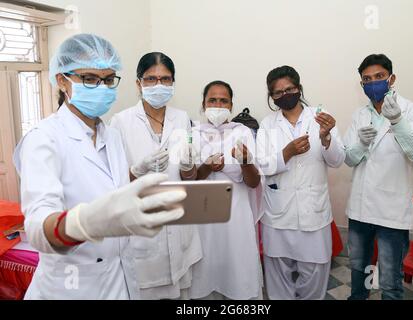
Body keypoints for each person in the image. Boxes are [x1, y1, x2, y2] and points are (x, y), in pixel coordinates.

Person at [13, 34, 185, 300]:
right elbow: (37, 230)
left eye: (107, 79)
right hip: (71, 285)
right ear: (62, 80)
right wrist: (88, 221)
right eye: (90, 79)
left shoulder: (111, 135)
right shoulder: (44, 138)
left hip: (120, 278)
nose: (102, 88)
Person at [110, 52, 202, 300]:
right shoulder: (121, 122)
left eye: (165, 79)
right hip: (143, 229)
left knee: (182, 295)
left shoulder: (182, 118)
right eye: (151, 79)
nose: (158, 85)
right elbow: (114, 186)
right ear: (138, 83)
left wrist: (187, 166)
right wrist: (137, 170)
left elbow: (189, 178)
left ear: (173, 82)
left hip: (178, 223)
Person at [344, 54, 413, 300]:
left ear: (392, 78)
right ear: (362, 85)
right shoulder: (359, 115)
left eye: (379, 77)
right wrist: (360, 144)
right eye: (367, 79)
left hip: (391, 210)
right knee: (359, 269)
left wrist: (398, 121)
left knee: (390, 279)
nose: (373, 83)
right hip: (360, 208)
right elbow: (349, 159)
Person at [256, 66, 345, 300]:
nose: (284, 95)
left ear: (299, 88)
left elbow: (337, 160)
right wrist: (286, 153)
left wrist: (326, 138)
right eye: (277, 93)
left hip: (313, 211)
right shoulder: (267, 124)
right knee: (277, 272)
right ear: (271, 97)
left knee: (315, 271)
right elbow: (261, 166)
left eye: (289, 89)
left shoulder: (320, 116)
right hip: (278, 213)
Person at [185, 81, 264, 300]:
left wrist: (246, 162)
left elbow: (253, 182)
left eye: (223, 101)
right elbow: (190, 178)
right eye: (212, 100)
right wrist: (207, 166)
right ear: (203, 104)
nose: (218, 105)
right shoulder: (192, 133)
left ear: (231, 105)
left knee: (238, 273)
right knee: (205, 273)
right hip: (202, 217)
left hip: (236, 216)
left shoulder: (243, 132)